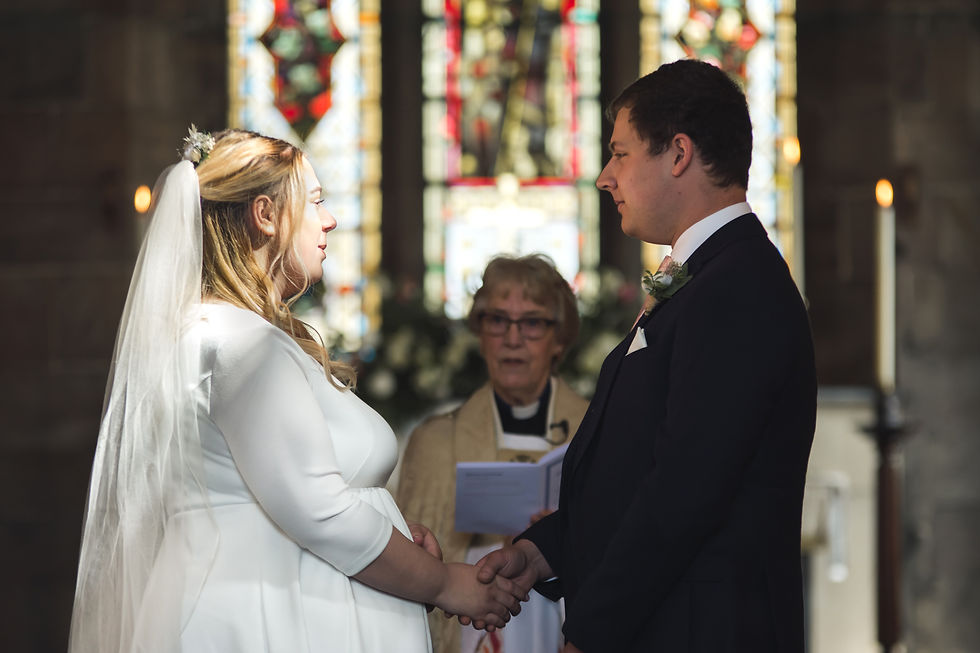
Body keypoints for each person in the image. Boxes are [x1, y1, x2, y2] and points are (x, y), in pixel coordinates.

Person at [69, 127, 524, 653]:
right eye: (315, 202)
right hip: (272, 622)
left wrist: (395, 538)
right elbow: (319, 508)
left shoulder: (224, 335)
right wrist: (444, 582)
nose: (329, 219)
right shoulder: (242, 345)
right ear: (265, 214)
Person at [472, 59, 818, 652]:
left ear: (678, 153)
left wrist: (590, 633)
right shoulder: (703, 276)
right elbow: (634, 471)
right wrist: (541, 552)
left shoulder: (737, 287)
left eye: (620, 153)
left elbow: (683, 492)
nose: (606, 177)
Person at [397, 254, 589, 653]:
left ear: (560, 338)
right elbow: (406, 565)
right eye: (498, 320)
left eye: (533, 322)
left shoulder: (597, 431)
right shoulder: (434, 442)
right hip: (467, 627)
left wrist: (561, 539)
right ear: (480, 333)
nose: (513, 339)